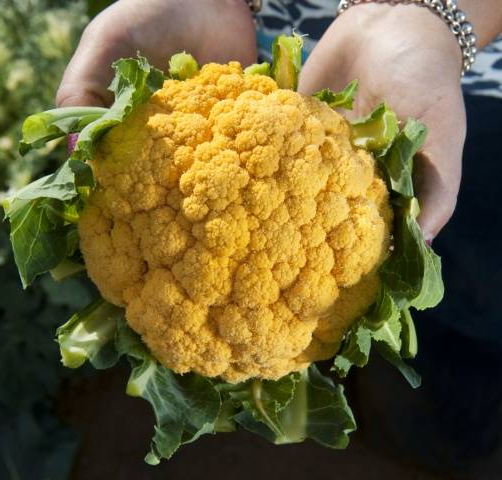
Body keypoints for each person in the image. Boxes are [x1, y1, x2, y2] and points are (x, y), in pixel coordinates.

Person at [57, 0, 502, 476]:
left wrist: (436, 19)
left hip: (464, 77)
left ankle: (450, 427)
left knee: (477, 303)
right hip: (247, 45)